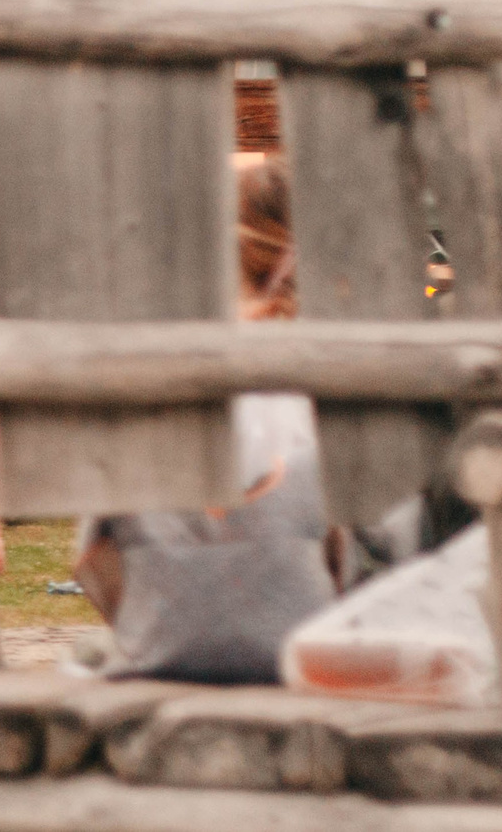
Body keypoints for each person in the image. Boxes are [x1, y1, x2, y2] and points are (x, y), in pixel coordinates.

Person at [71, 155, 335, 683]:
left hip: (160, 658)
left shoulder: (152, 368)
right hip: (316, 661)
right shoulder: (344, 371)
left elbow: (91, 559)